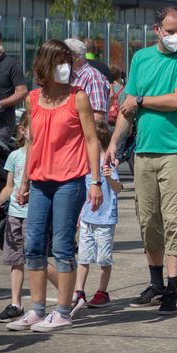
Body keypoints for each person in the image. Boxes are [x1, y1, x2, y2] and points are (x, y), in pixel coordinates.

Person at [108, 6, 177, 315]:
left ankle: (172, 290)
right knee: (149, 221)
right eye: (170, 31)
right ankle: (156, 283)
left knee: (176, 219)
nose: (176, 37)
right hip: (144, 153)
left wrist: (141, 101)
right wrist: (113, 144)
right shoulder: (141, 59)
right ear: (157, 30)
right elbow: (126, 109)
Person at [7, 39, 103, 332]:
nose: (66, 67)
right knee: (33, 246)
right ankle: (37, 310)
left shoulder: (78, 97)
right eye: (59, 61)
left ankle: (62, 311)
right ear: (45, 65)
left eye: (68, 61)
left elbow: (91, 140)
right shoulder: (33, 99)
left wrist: (96, 181)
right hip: (39, 182)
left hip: (70, 182)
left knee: (62, 248)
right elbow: (32, 142)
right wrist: (23, 183)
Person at [0, 113, 60, 322]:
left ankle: (68, 291)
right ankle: (15, 304)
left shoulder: (44, 155)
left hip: (34, 215)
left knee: (36, 259)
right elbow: (9, 187)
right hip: (14, 215)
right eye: (33, 127)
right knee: (15, 261)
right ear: (22, 130)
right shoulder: (14, 156)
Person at [73, 120, 122, 311]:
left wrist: (109, 177)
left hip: (105, 220)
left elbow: (118, 188)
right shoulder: (85, 164)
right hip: (87, 219)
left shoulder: (107, 164)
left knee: (104, 259)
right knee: (83, 258)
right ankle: (79, 292)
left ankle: (102, 292)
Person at [66, 38, 111, 122]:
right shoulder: (70, 76)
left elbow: (98, 116)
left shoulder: (93, 77)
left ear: (76, 57)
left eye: (64, 56)